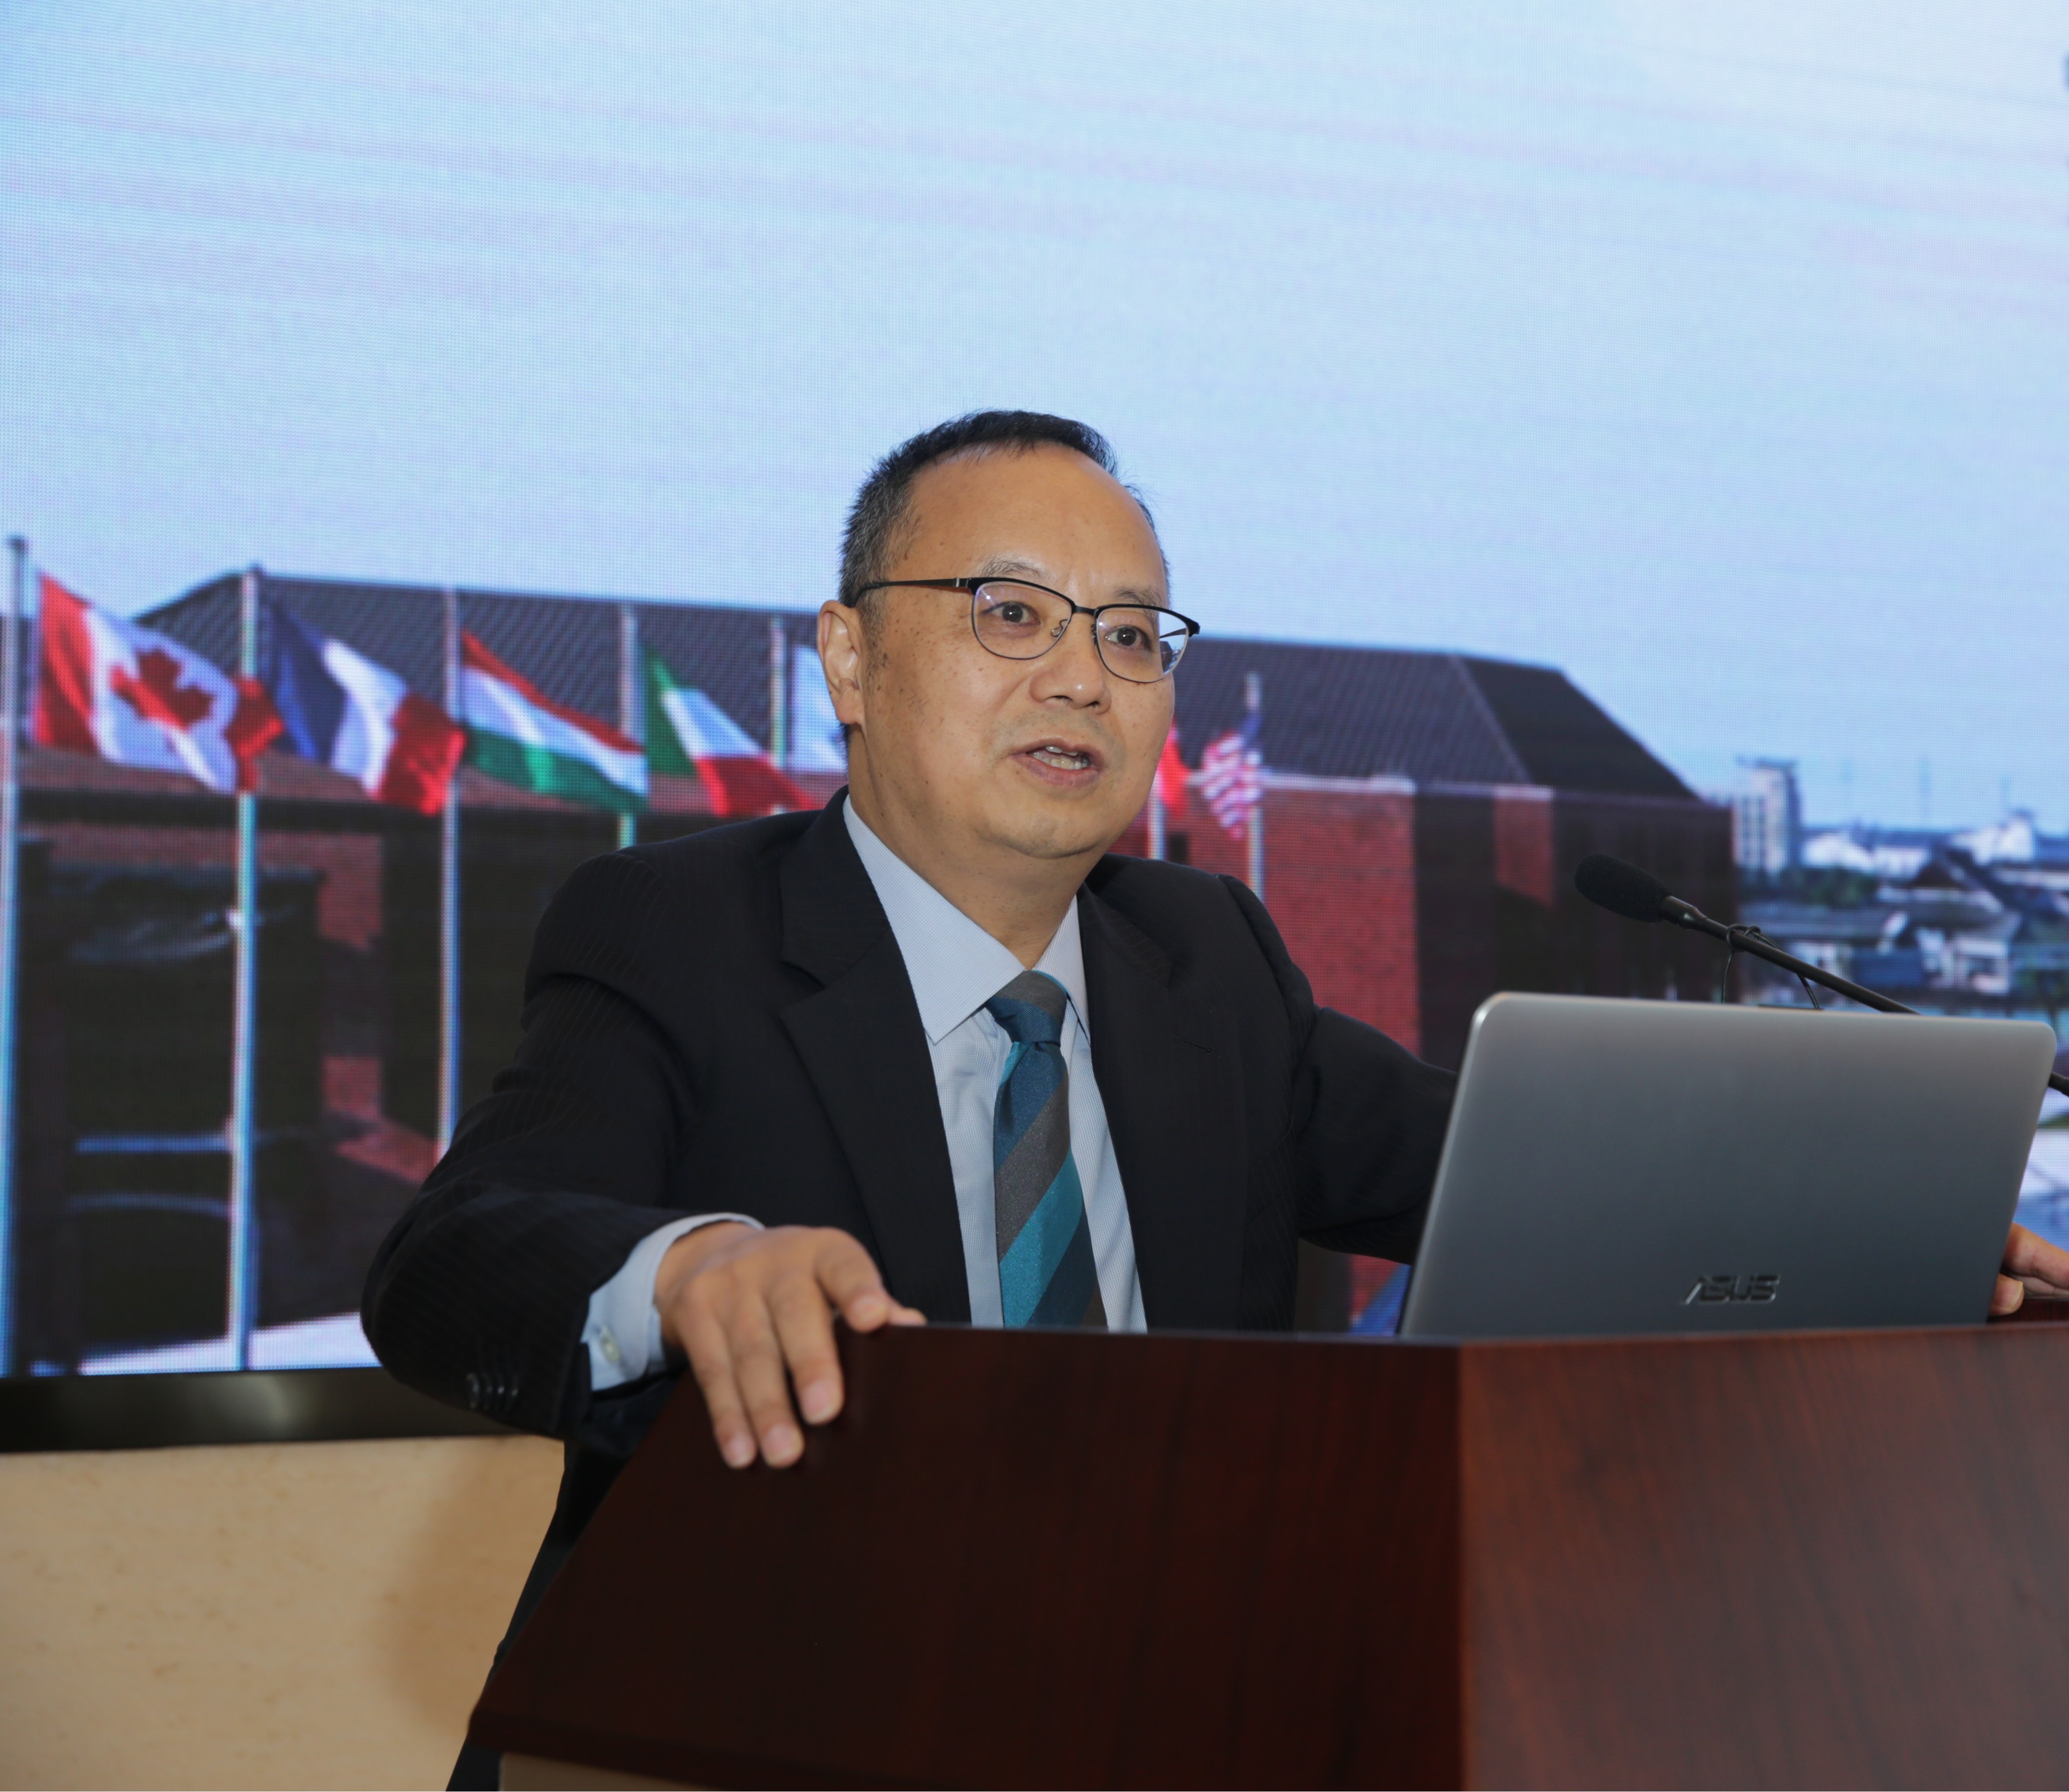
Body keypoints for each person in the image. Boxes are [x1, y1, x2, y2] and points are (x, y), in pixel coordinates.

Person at [363, 410, 2069, 1785]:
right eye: (1011, 615)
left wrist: (1881, 1229)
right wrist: (687, 1269)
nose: (1081, 678)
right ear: (854, 660)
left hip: (1182, 1728)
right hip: (758, 1732)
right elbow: (454, 1256)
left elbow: (1522, 1165)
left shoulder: (1204, 960)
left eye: (1130, 635)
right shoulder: (677, 934)